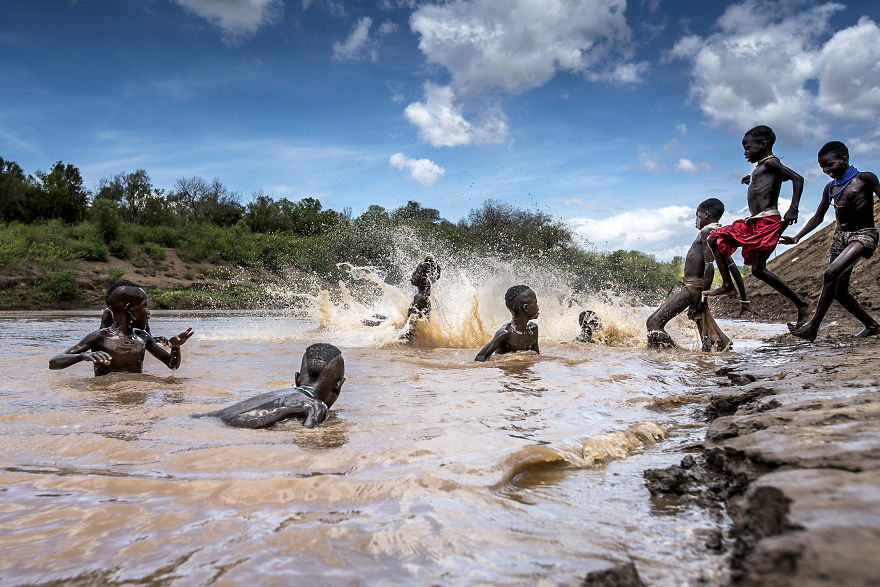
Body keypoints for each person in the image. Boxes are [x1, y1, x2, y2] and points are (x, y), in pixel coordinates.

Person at [705, 125, 813, 327]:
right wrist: (754, 179)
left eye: (748, 148)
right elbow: (776, 179)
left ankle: (802, 303)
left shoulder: (771, 162)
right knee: (753, 266)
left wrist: (793, 208)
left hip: (766, 222)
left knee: (723, 244)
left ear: (763, 145)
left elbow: (797, 178)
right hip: (756, 221)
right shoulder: (763, 167)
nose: (745, 152)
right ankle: (729, 285)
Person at [780, 141, 880, 341]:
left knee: (831, 272)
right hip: (840, 237)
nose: (826, 170)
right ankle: (872, 325)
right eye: (822, 167)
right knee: (839, 292)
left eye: (829, 165)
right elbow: (818, 217)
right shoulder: (830, 187)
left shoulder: (865, 178)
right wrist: (797, 237)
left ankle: (812, 327)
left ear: (844, 159)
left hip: (863, 235)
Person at [647, 199, 741, 350]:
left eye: (697, 215)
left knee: (653, 323)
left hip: (694, 287)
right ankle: (706, 358)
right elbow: (732, 266)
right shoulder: (716, 232)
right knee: (706, 339)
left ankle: (673, 355)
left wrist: (703, 297)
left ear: (706, 214)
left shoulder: (707, 232)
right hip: (694, 287)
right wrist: (743, 299)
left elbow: (709, 266)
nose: (696, 220)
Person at [49, 280, 194, 376]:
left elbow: (172, 365)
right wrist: (81, 356)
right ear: (130, 309)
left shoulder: (142, 337)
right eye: (145, 305)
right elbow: (54, 362)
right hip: (107, 400)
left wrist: (176, 347)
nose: (148, 312)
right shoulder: (100, 337)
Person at [194, 343, 345, 429]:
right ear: (338, 385)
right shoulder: (316, 406)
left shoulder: (282, 393)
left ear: (297, 379)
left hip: (203, 419)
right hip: (227, 429)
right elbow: (309, 438)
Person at [475, 285, 539, 361]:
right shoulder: (505, 333)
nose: (538, 306)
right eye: (535, 302)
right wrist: (502, 364)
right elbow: (480, 357)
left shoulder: (533, 329)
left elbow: (536, 356)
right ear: (526, 308)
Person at [408, 255, 440, 319]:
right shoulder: (431, 301)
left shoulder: (418, 297)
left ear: (424, 276)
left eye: (417, 271)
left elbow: (411, 322)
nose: (413, 274)